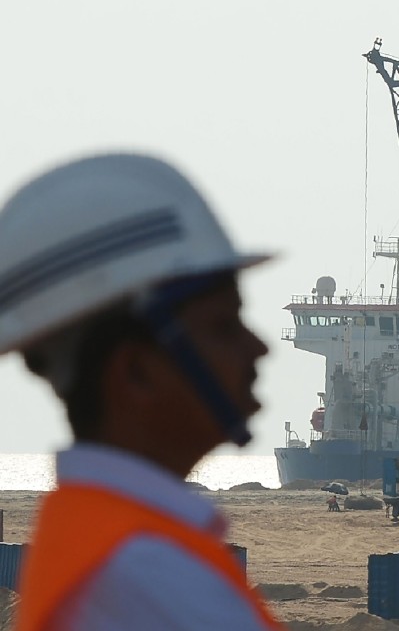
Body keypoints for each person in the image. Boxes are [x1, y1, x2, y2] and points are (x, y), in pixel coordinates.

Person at [4, 154, 280, 629]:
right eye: (223, 326)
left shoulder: (105, 537)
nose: (259, 347)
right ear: (136, 373)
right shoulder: (151, 576)